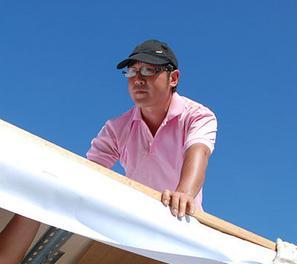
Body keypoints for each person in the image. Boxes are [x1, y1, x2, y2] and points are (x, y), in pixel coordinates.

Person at [87, 39, 217, 218]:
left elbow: (199, 151)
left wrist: (184, 193)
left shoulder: (197, 116)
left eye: (148, 70)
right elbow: (90, 172)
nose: (137, 79)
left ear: (173, 78)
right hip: (135, 220)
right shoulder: (116, 128)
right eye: (132, 71)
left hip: (181, 221)